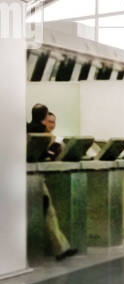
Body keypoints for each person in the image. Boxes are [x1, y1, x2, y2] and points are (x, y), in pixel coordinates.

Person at [27, 106, 77, 261]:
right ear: (44, 117)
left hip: (27, 178)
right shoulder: (43, 135)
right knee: (48, 212)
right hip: (34, 179)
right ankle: (60, 248)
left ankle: (60, 248)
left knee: (47, 212)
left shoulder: (26, 130)